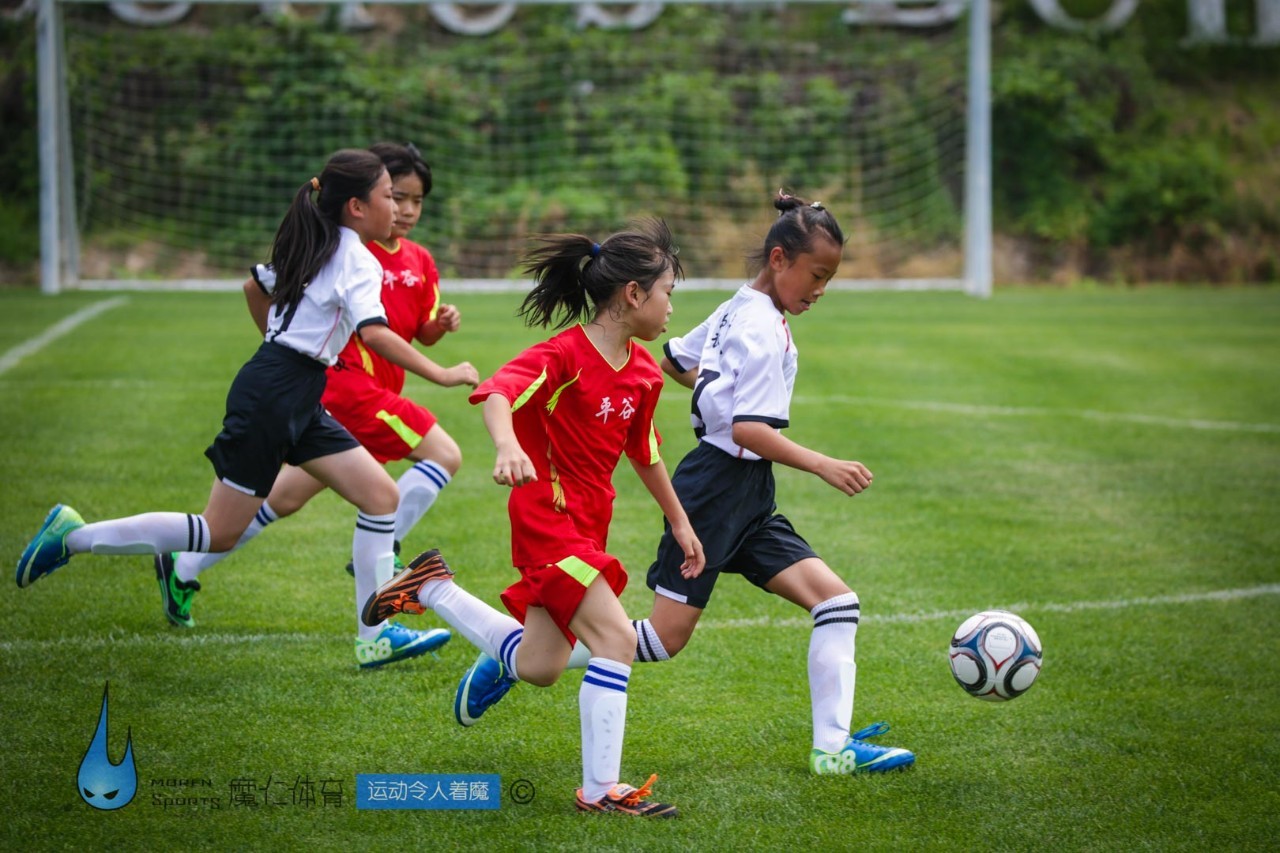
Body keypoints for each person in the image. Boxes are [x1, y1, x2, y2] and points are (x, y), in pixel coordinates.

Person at [455, 193, 915, 776]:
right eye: (817, 274)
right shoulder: (758, 326)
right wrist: (822, 463)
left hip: (747, 494)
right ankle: (523, 668)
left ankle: (833, 749)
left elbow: (673, 362)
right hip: (714, 489)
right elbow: (747, 428)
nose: (821, 288)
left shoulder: (738, 307)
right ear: (779, 259)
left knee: (837, 603)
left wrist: (713, 393)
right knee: (660, 640)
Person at [16, 150, 474, 671]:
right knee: (217, 531)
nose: (398, 208)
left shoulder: (320, 241)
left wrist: (280, 346)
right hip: (277, 393)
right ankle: (73, 536)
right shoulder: (357, 258)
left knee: (380, 495)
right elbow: (374, 333)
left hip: (296, 388)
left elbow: (257, 286)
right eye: (390, 196)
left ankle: (376, 636)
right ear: (355, 206)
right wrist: (442, 374)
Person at [361, 218, 704, 817]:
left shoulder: (646, 373)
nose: (672, 306)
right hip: (547, 513)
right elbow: (498, 391)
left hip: (589, 521)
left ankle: (431, 586)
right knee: (618, 639)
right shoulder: (564, 353)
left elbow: (644, 451)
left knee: (540, 666)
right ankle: (601, 790)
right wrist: (506, 445)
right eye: (668, 291)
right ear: (633, 294)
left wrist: (679, 521)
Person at [154, 142, 477, 670]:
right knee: (442, 454)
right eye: (397, 197)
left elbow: (415, 331)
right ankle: (384, 561)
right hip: (348, 388)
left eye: (417, 201)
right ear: (368, 200)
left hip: (355, 394)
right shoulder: (346, 247)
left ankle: (184, 565)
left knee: (283, 498)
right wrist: (282, 342)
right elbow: (336, 318)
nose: (407, 210)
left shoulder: (420, 262)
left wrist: (437, 329)